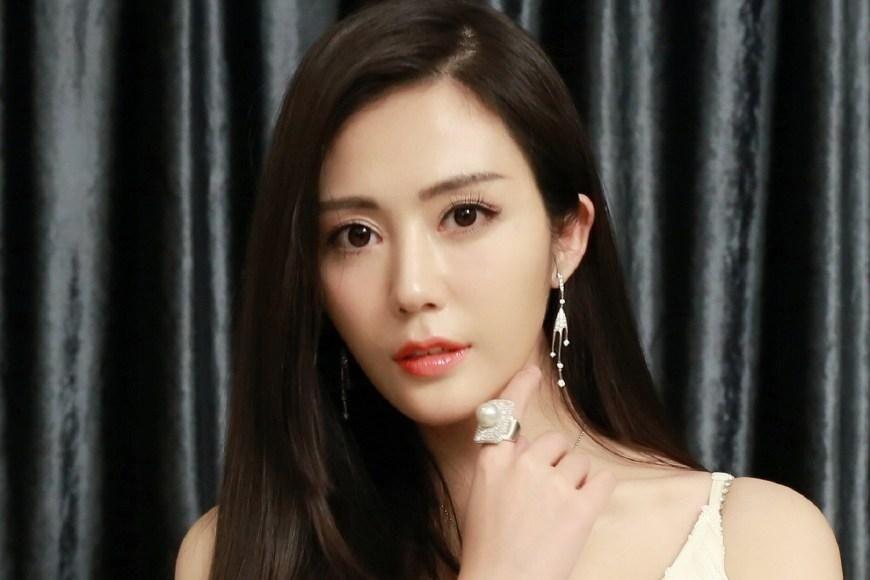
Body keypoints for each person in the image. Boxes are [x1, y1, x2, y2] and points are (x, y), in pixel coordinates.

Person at [175, 1, 843, 578]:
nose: (411, 288)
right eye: (356, 235)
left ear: (568, 236)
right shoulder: (232, 554)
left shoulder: (756, 544)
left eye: (465, 215)